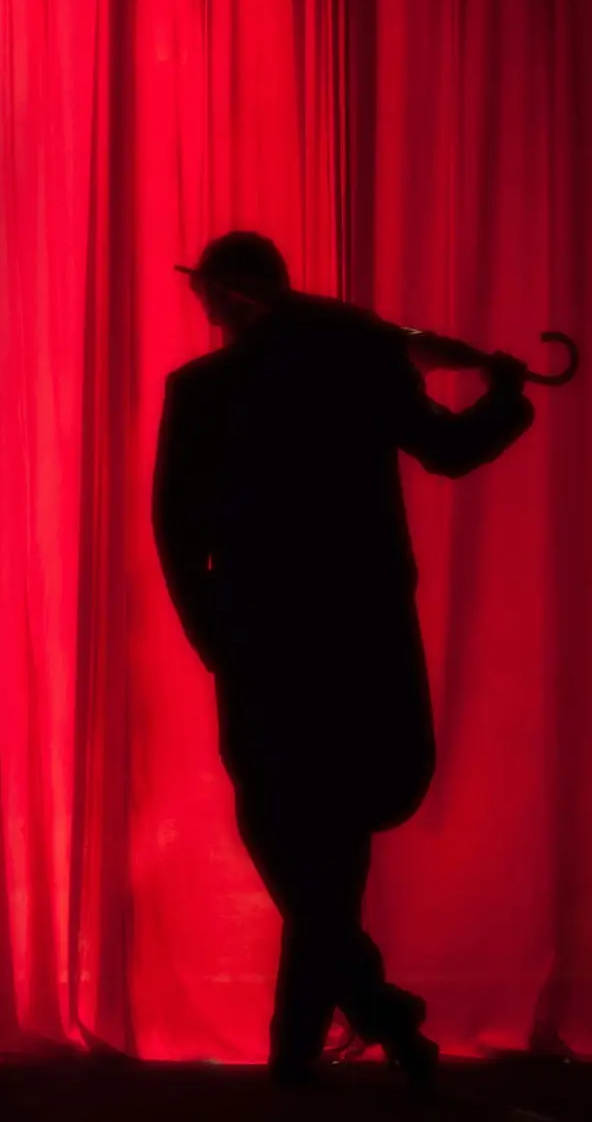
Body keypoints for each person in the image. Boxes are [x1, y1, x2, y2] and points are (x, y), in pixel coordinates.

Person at [152, 232, 537, 1089]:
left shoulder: (205, 389)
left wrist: (214, 636)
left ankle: (325, 1042)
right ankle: (370, 1023)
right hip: (355, 641)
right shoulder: (359, 362)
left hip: (266, 647)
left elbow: (176, 532)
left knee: (293, 840)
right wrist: (506, 397)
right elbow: (450, 449)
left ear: (221, 299)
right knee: (326, 849)